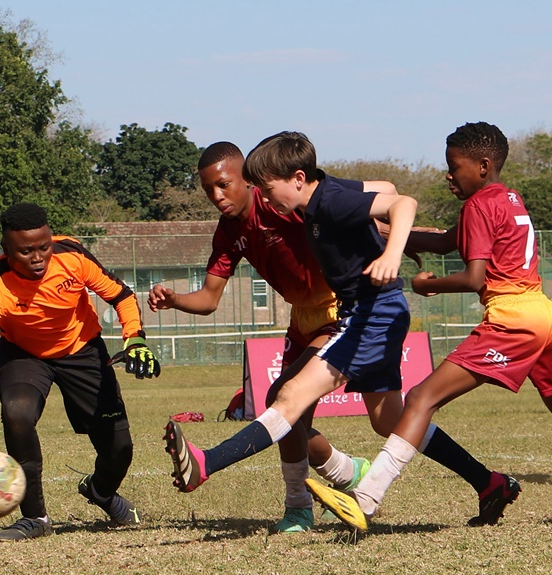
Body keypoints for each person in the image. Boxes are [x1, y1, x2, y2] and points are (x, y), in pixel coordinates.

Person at [306, 122, 552, 532]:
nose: (448, 175)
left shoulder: (478, 205)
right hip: (543, 314)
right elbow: (448, 241)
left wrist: (428, 285)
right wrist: (390, 234)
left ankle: (365, 499)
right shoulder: (508, 198)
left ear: (482, 166)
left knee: (420, 399)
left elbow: (474, 278)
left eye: (454, 166)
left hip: (513, 320)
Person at [164, 131, 523, 529]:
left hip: (364, 314)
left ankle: (211, 463)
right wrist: (379, 233)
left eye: (266, 188)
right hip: (370, 312)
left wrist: (392, 249)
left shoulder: (327, 201)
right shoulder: (317, 200)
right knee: (390, 420)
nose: (265, 198)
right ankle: (488, 482)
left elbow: (402, 200)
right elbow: (381, 195)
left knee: (288, 396)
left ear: (297, 178)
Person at [0, 202, 161, 541]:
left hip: (83, 349)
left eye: (43, 247)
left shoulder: (73, 257)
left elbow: (122, 296)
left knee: (119, 449)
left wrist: (135, 339)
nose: (38, 257)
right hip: (24, 355)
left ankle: (101, 491)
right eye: (25, 251)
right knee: (16, 413)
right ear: (6, 250)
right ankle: (35, 518)